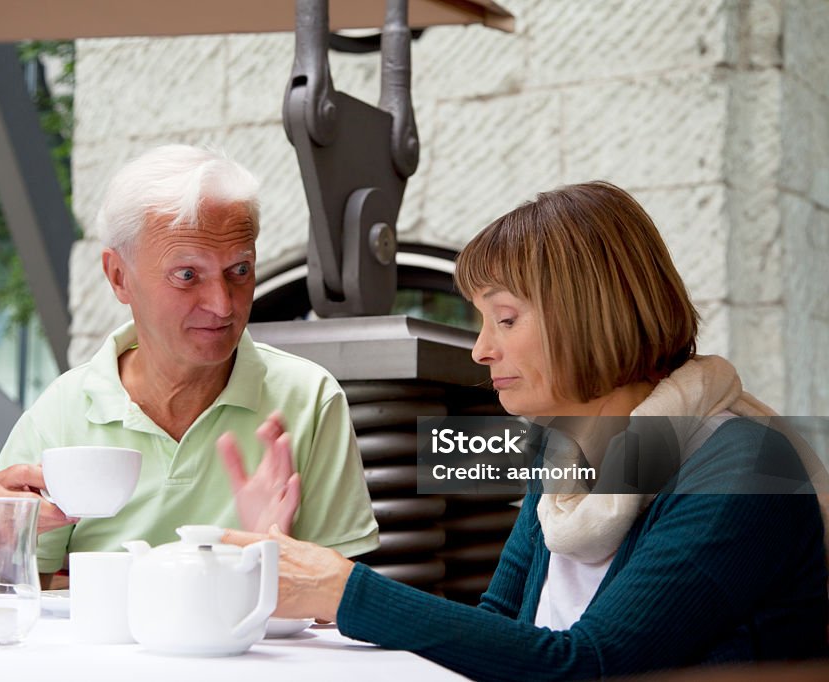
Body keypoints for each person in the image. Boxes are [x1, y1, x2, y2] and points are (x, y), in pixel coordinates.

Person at [226, 181, 829, 679]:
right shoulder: (565, 457)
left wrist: (345, 591)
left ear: (592, 314)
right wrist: (318, 593)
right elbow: (501, 632)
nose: (482, 351)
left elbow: (593, 666)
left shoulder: (743, 468)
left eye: (506, 319)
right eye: (482, 322)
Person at [0, 145, 378, 585]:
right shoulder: (61, 412)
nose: (222, 304)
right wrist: (4, 540)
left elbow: (342, 607)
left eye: (240, 270)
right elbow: (10, 594)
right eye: (188, 275)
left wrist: (275, 555)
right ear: (119, 277)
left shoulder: (310, 399)